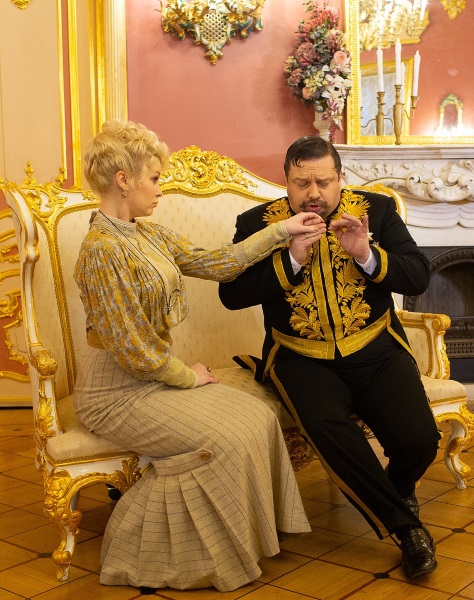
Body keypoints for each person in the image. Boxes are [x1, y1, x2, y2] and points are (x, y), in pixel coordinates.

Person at [72, 120, 326, 592]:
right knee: (227, 438)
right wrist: (188, 376)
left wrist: (282, 230)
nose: (160, 189)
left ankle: (250, 538)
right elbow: (134, 352)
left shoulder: (146, 234)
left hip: (151, 378)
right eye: (154, 178)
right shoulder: (101, 250)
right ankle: (176, 552)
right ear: (123, 179)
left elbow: (218, 263)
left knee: (257, 418)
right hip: (115, 393)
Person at [218, 135, 441, 580]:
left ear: (341, 178)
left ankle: (398, 492)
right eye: (302, 183)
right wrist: (290, 260)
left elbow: (418, 275)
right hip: (300, 357)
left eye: (323, 181)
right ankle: (407, 529)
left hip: (376, 349)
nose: (314, 193)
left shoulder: (377, 210)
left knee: (420, 440)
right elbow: (232, 293)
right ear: (286, 181)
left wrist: (366, 254)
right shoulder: (257, 223)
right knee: (333, 433)